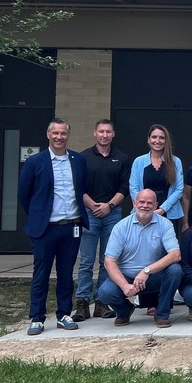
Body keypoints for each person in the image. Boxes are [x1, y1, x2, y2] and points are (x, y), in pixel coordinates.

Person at [17, 118, 89, 336]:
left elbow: (81, 188)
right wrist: (39, 216)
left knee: (66, 273)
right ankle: (37, 317)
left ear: (68, 135)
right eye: (55, 133)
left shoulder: (78, 160)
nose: (59, 137)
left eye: (63, 133)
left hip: (71, 227)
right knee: (41, 273)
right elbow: (24, 195)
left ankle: (63, 314)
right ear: (48, 135)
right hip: (45, 228)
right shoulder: (35, 162)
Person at [96, 189, 183, 328]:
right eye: (141, 202)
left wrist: (147, 271)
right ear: (134, 203)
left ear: (156, 205)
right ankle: (124, 311)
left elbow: (175, 255)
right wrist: (125, 286)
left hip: (154, 276)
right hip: (128, 277)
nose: (145, 206)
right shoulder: (121, 227)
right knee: (105, 293)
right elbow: (109, 261)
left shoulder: (165, 224)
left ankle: (162, 314)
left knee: (175, 270)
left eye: (150, 203)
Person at [72, 119, 130, 322]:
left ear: (113, 134)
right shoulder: (82, 158)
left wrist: (109, 206)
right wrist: (92, 205)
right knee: (86, 261)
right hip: (89, 214)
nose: (105, 135)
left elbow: (124, 188)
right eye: (101, 131)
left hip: (112, 214)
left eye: (108, 132)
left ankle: (101, 303)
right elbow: (78, 187)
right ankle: (82, 303)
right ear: (95, 133)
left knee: (108, 260)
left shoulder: (121, 158)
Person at [129, 124, 184, 230]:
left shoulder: (175, 162)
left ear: (166, 141)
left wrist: (162, 209)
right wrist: (145, 208)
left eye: (161, 138)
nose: (157, 141)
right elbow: (133, 188)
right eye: (154, 137)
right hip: (143, 213)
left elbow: (179, 189)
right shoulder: (138, 161)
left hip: (169, 213)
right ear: (148, 140)